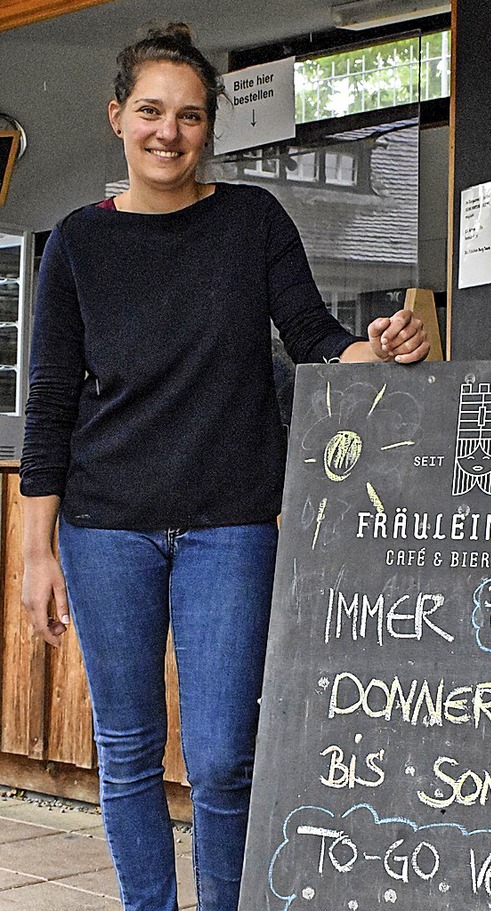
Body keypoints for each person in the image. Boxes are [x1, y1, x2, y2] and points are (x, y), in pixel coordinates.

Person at [19, 23, 430, 911]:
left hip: (230, 525)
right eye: (151, 112)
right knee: (126, 752)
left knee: (221, 757)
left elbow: (318, 342)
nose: (170, 133)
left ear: (211, 128)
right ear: (117, 118)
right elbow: (50, 399)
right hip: (105, 526)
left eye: (191, 116)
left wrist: (386, 350)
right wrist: (35, 550)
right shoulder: (79, 245)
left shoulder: (252, 222)